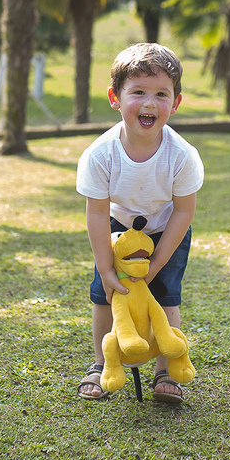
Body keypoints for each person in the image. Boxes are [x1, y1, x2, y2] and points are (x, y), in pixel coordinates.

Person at [75, 43, 204, 403]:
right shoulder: (100, 155)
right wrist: (105, 268)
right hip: (116, 230)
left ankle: (167, 370)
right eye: (139, 93)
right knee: (105, 297)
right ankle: (101, 364)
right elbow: (98, 213)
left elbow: (183, 211)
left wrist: (158, 262)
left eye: (162, 94)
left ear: (175, 103)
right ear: (115, 97)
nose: (150, 103)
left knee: (166, 298)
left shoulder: (182, 156)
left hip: (166, 228)